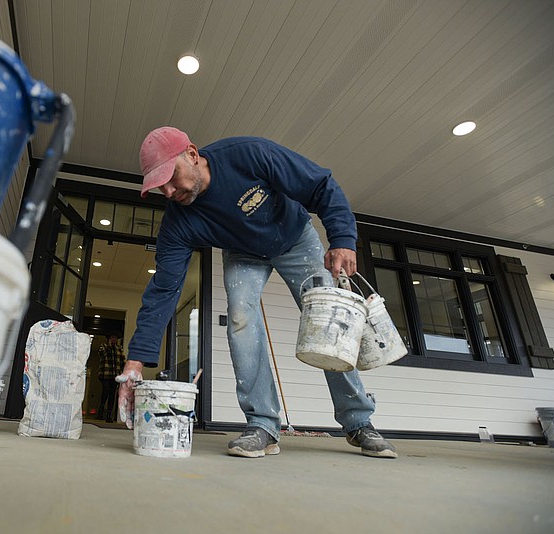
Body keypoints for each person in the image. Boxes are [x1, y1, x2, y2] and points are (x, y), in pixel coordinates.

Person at [116, 126, 397, 459]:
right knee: (239, 317)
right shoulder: (179, 222)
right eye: (158, 185)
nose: (167, 190)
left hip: (295, 238)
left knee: (329, 321)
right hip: (243, 253)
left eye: (170, 176)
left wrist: (342, 239)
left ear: (192, 154)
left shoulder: (248, 155)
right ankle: (263, 424)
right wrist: (134, 364)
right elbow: (163, 289)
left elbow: (320, 185)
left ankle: (358, 421)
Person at [97, 332, 126, 422]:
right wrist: (109, 346)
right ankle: (101, 411)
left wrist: (123, 373)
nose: (114, 340)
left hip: (115, 375)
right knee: (105, 391)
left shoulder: (119, 349)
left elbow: (123, 361)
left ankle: (109, 414)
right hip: (105, 374)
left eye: (115, 338)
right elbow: (101, 355)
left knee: (112, 394)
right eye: (112, 338)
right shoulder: (103, 347)